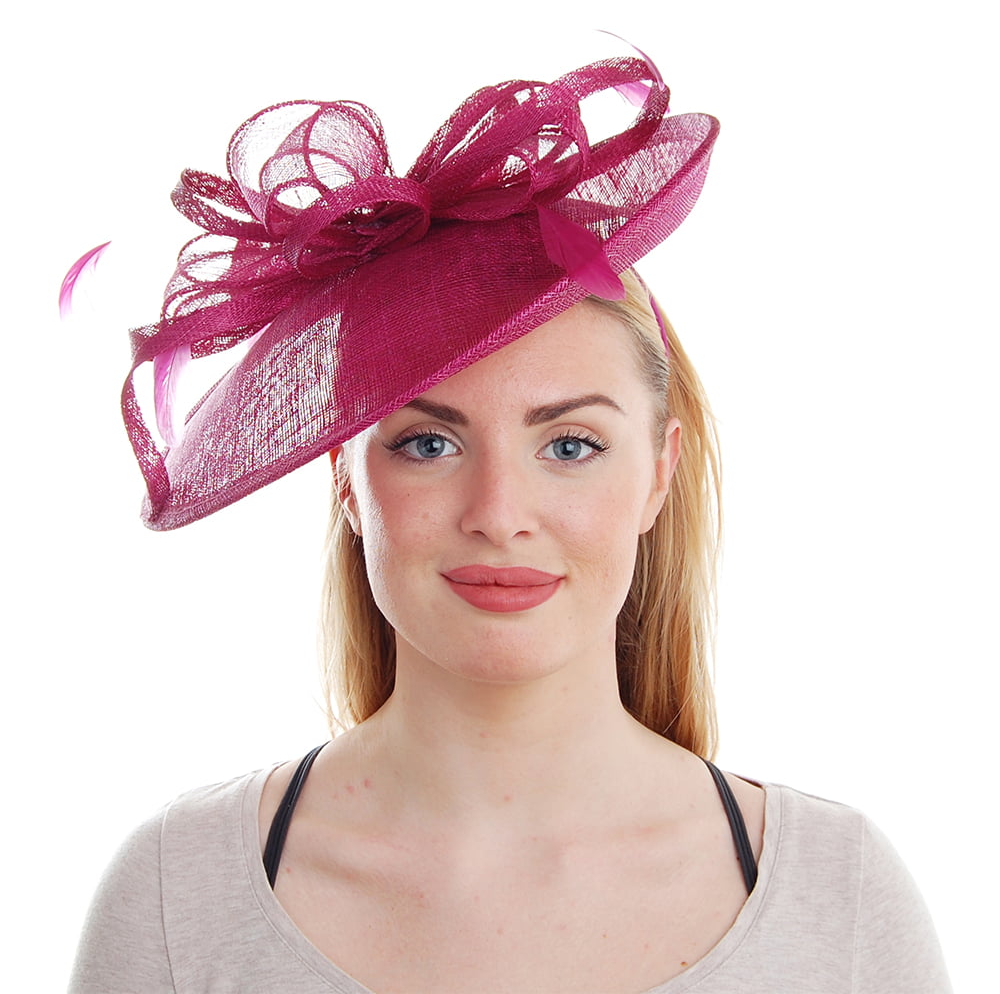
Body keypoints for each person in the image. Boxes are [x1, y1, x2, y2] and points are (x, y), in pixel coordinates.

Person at [69, 55, 951, 993]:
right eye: (428, 444)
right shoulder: (178, 894)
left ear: (659, 473)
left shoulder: (841, 898)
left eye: (570, 445)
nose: (498, 515)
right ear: (344, 479)